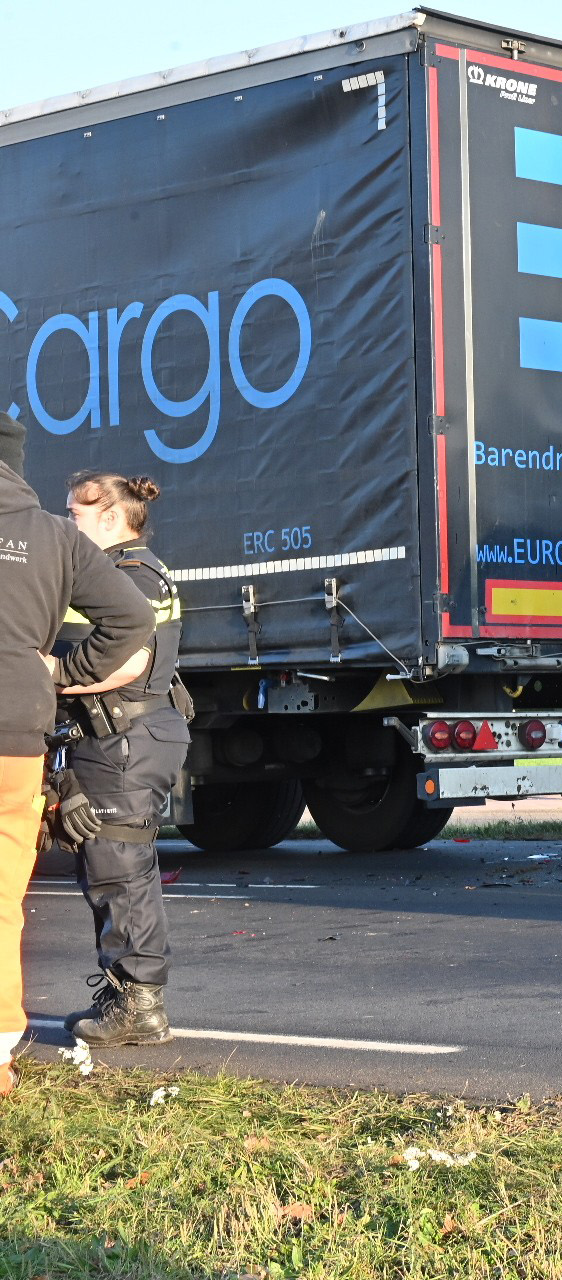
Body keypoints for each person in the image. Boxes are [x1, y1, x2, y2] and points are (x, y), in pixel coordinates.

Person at [0, 414, 154, 1089]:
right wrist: (52, 675)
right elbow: (132, 620)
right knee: (3, 898)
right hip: (16, 736)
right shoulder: (55, 537)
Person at [56, 470, 193, 1047]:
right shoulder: (134, 570)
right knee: (111, 866)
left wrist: (51, 677)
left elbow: (129, 662)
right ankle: (123, 995)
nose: (68, 525)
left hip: (124, 742)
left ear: (111, 518)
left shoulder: (127, 576)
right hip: (125, 740)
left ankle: (138, 1007)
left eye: (76, 516)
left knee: (119, 868)